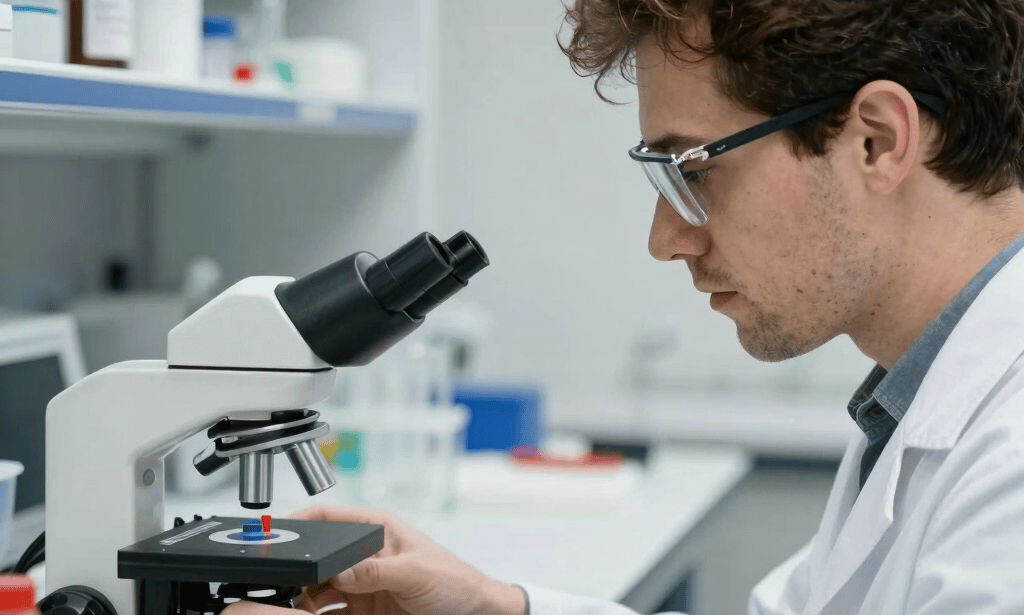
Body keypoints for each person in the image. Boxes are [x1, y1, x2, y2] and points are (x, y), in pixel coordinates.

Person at [226, 0, 1024, 613]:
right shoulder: (914, 398)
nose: (665, 238)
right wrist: (498, 606)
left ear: (876, 141)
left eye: (691, 170)